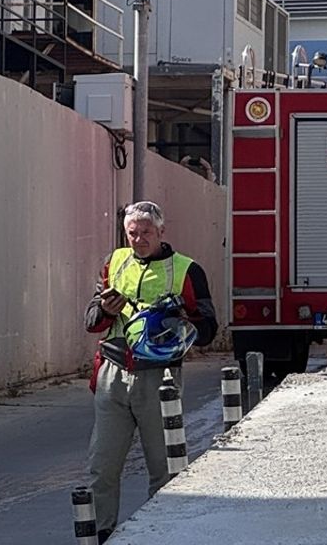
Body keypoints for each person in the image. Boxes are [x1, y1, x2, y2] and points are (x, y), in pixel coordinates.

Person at [84, 201, 218, 543]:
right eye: (132, 233)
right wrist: (103, 309)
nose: (139, 239)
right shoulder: (113, 262)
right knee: (102, 468)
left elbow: (208, 330)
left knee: (165, 468)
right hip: (113, 374)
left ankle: (161, 534)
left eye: (146, 233)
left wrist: (179, 321)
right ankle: (103, 535)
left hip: (161, 379)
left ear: (161, 232)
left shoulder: (187, 270)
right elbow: (91, 321)